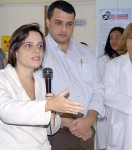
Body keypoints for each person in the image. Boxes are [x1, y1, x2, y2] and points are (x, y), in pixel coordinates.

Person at [0, 23, 84, 150]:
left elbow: (50, 130)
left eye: (40, 46)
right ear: (15, 50)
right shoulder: (3, 78)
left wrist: (54, 113)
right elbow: (6, 110)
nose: (37, 50)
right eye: (29, 45)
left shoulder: (43, 83)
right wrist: (48, 105)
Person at [42, 1, 105, 150]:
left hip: (87, 130)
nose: (64, 29)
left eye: (69, 24)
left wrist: (89, 119)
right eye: (58, 22)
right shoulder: (39, 53)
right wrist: (67, 122)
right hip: (57, 133)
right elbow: (34, 97)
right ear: (47, 22)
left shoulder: (86, 52)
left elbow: (98, 89)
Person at [104, 22, 132, 150]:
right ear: (126, 40)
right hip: (122, 127)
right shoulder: (114, 65)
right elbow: (107, 95)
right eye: (131, 37)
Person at [96, 27, 124, 150]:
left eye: (118, 37)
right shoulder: (103, 60)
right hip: (107, 109)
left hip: (124, 108)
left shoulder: (130, 60)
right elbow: (101, 86)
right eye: (111, 38)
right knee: (106, 142)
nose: (114, 40)